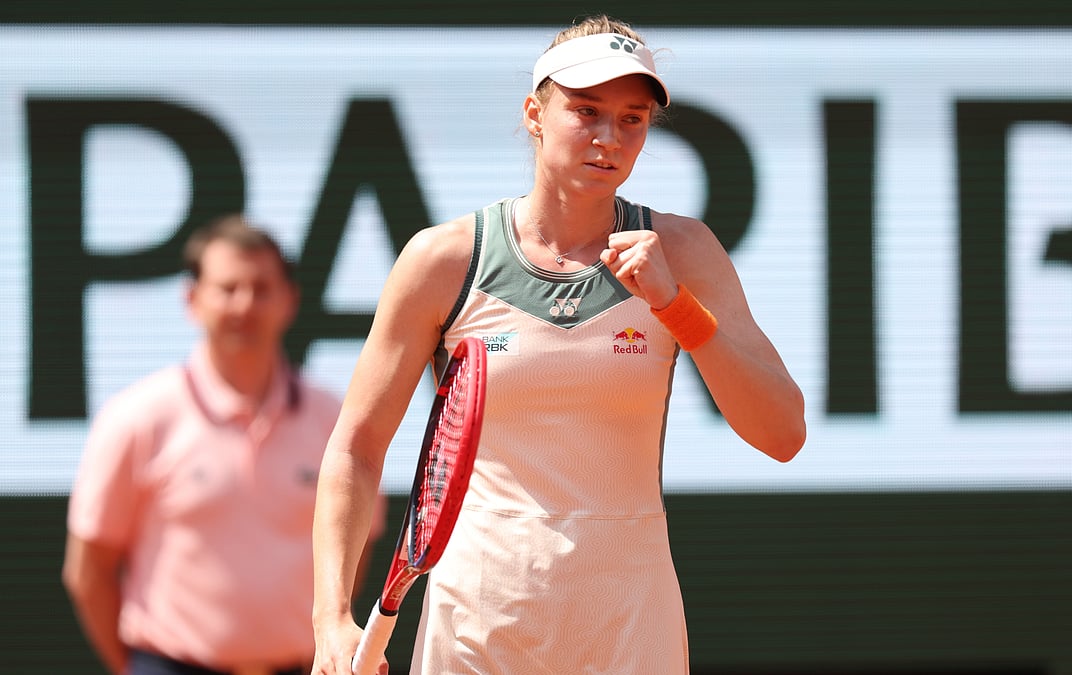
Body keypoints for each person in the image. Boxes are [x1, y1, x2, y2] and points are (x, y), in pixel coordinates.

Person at [311, 14, 806, 675]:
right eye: (586, 110)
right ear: (535, 115)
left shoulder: (684, 251)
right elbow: (357, 446)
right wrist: (330, 618)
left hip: (630, 626)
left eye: (632, 118)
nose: (609, 138)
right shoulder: (443, 259)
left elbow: (782, 433)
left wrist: (674, 305)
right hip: (478, 624)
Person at [62, 215, 385, 675]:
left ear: (290, 301)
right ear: (192, 299)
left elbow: (357, 545)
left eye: (261, 288)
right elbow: (88, 570)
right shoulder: (136, 417)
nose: (245, 304)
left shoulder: (334, 419)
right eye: (228, 288)